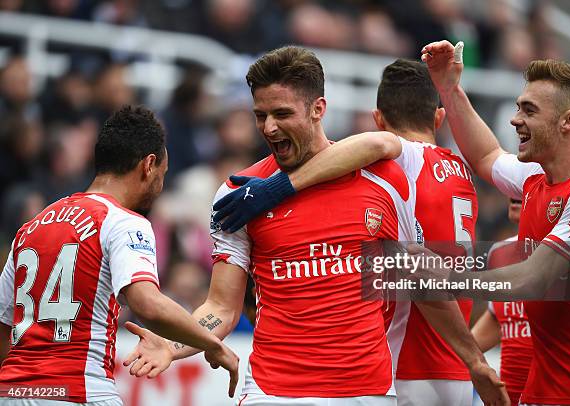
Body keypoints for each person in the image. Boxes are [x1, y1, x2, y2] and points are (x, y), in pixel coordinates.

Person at [124, 47, 506, 406]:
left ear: (318, 109)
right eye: (261, 115)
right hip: (273, 392)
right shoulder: (237, 195)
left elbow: (421, 279)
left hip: (365, 392)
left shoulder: (387, 181)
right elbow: (222, 307)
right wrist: (172, 344)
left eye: (282, 114)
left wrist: (475, 361)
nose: (270, 128)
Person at [0, 105, 239, 405]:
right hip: (80, 391)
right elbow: (147, 304)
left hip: (12, 392)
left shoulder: (33, 226)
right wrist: (212, 344)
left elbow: (4, 321)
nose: (161, 186)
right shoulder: (123, 221)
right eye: (162, 175)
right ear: (149, 165)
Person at [416, 41, 570, 405]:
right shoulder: (535, 180)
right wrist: (449, 88)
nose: (514, 119)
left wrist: (443, 277)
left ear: (569, 121)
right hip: (539, 393)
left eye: (529, 110)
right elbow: (486, 154)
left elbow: (532, 278)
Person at [472, 199, 533, 406]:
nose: (511, 190)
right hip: (510, 399)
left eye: (523, 181)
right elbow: (499, 319)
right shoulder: (500, 252)